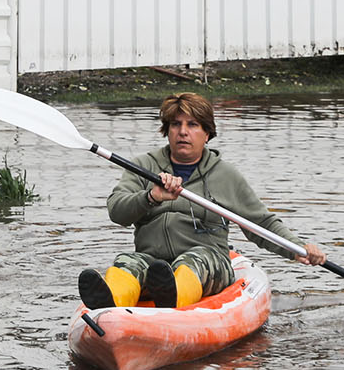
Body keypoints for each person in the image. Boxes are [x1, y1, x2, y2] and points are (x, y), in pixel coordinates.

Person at [79, 92, 327, 310]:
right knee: (129, 262)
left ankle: (173, 295)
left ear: (207, 133)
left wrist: (298, 249)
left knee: (194, 260)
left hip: (209, 262)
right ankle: (110, 303)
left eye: (192, 124)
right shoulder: (144, 167)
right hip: (154, 262)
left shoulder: (225, 176)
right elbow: (117, 211)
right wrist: (151, 197)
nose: (183, 131)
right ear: (167, 131)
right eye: (175, 124)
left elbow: (261, 223)